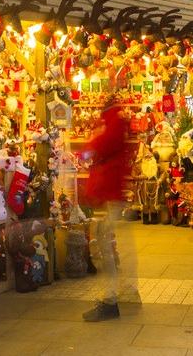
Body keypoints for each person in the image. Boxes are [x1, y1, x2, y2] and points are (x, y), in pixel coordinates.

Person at [80, 96, 136, 321]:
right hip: (113, 195)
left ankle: (110, 299)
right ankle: (129, 292)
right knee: (118, 244)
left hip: (111, 195)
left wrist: (89, 147)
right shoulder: (117, 122)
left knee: (105, 245)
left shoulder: (112, 122)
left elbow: (103, 144)